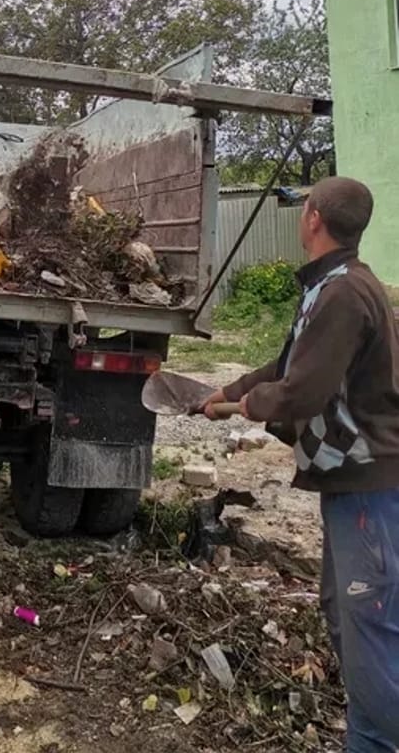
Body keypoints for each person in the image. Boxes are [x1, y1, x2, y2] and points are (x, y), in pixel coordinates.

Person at [202, 177, 399, 752]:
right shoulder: (330, 286)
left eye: (304, 206)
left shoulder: (343, 294)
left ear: (313, 217)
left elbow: (300, 393)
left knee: (370, 633)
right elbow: (286, 364)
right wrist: (224, 389)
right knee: (347, 619)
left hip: (371, 490)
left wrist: (244, 406)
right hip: (351, 487)